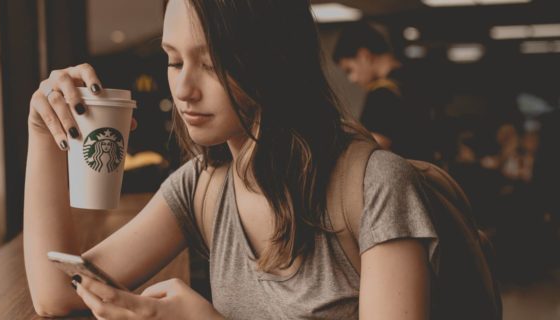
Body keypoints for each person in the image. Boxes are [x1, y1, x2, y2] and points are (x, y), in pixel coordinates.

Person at [24, 0, 440, 319]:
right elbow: (57, 293)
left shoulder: (376, 185)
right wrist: (43, 131)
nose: (183, 88)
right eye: (173, 59)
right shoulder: (202, 185)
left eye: (211, 63)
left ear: (274, 60)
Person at [332, 22, 432, 161]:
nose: (352, 79)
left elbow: (372, 151)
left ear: (364, 55)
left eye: (350, 70)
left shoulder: (381, 94)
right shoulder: (418, 79)